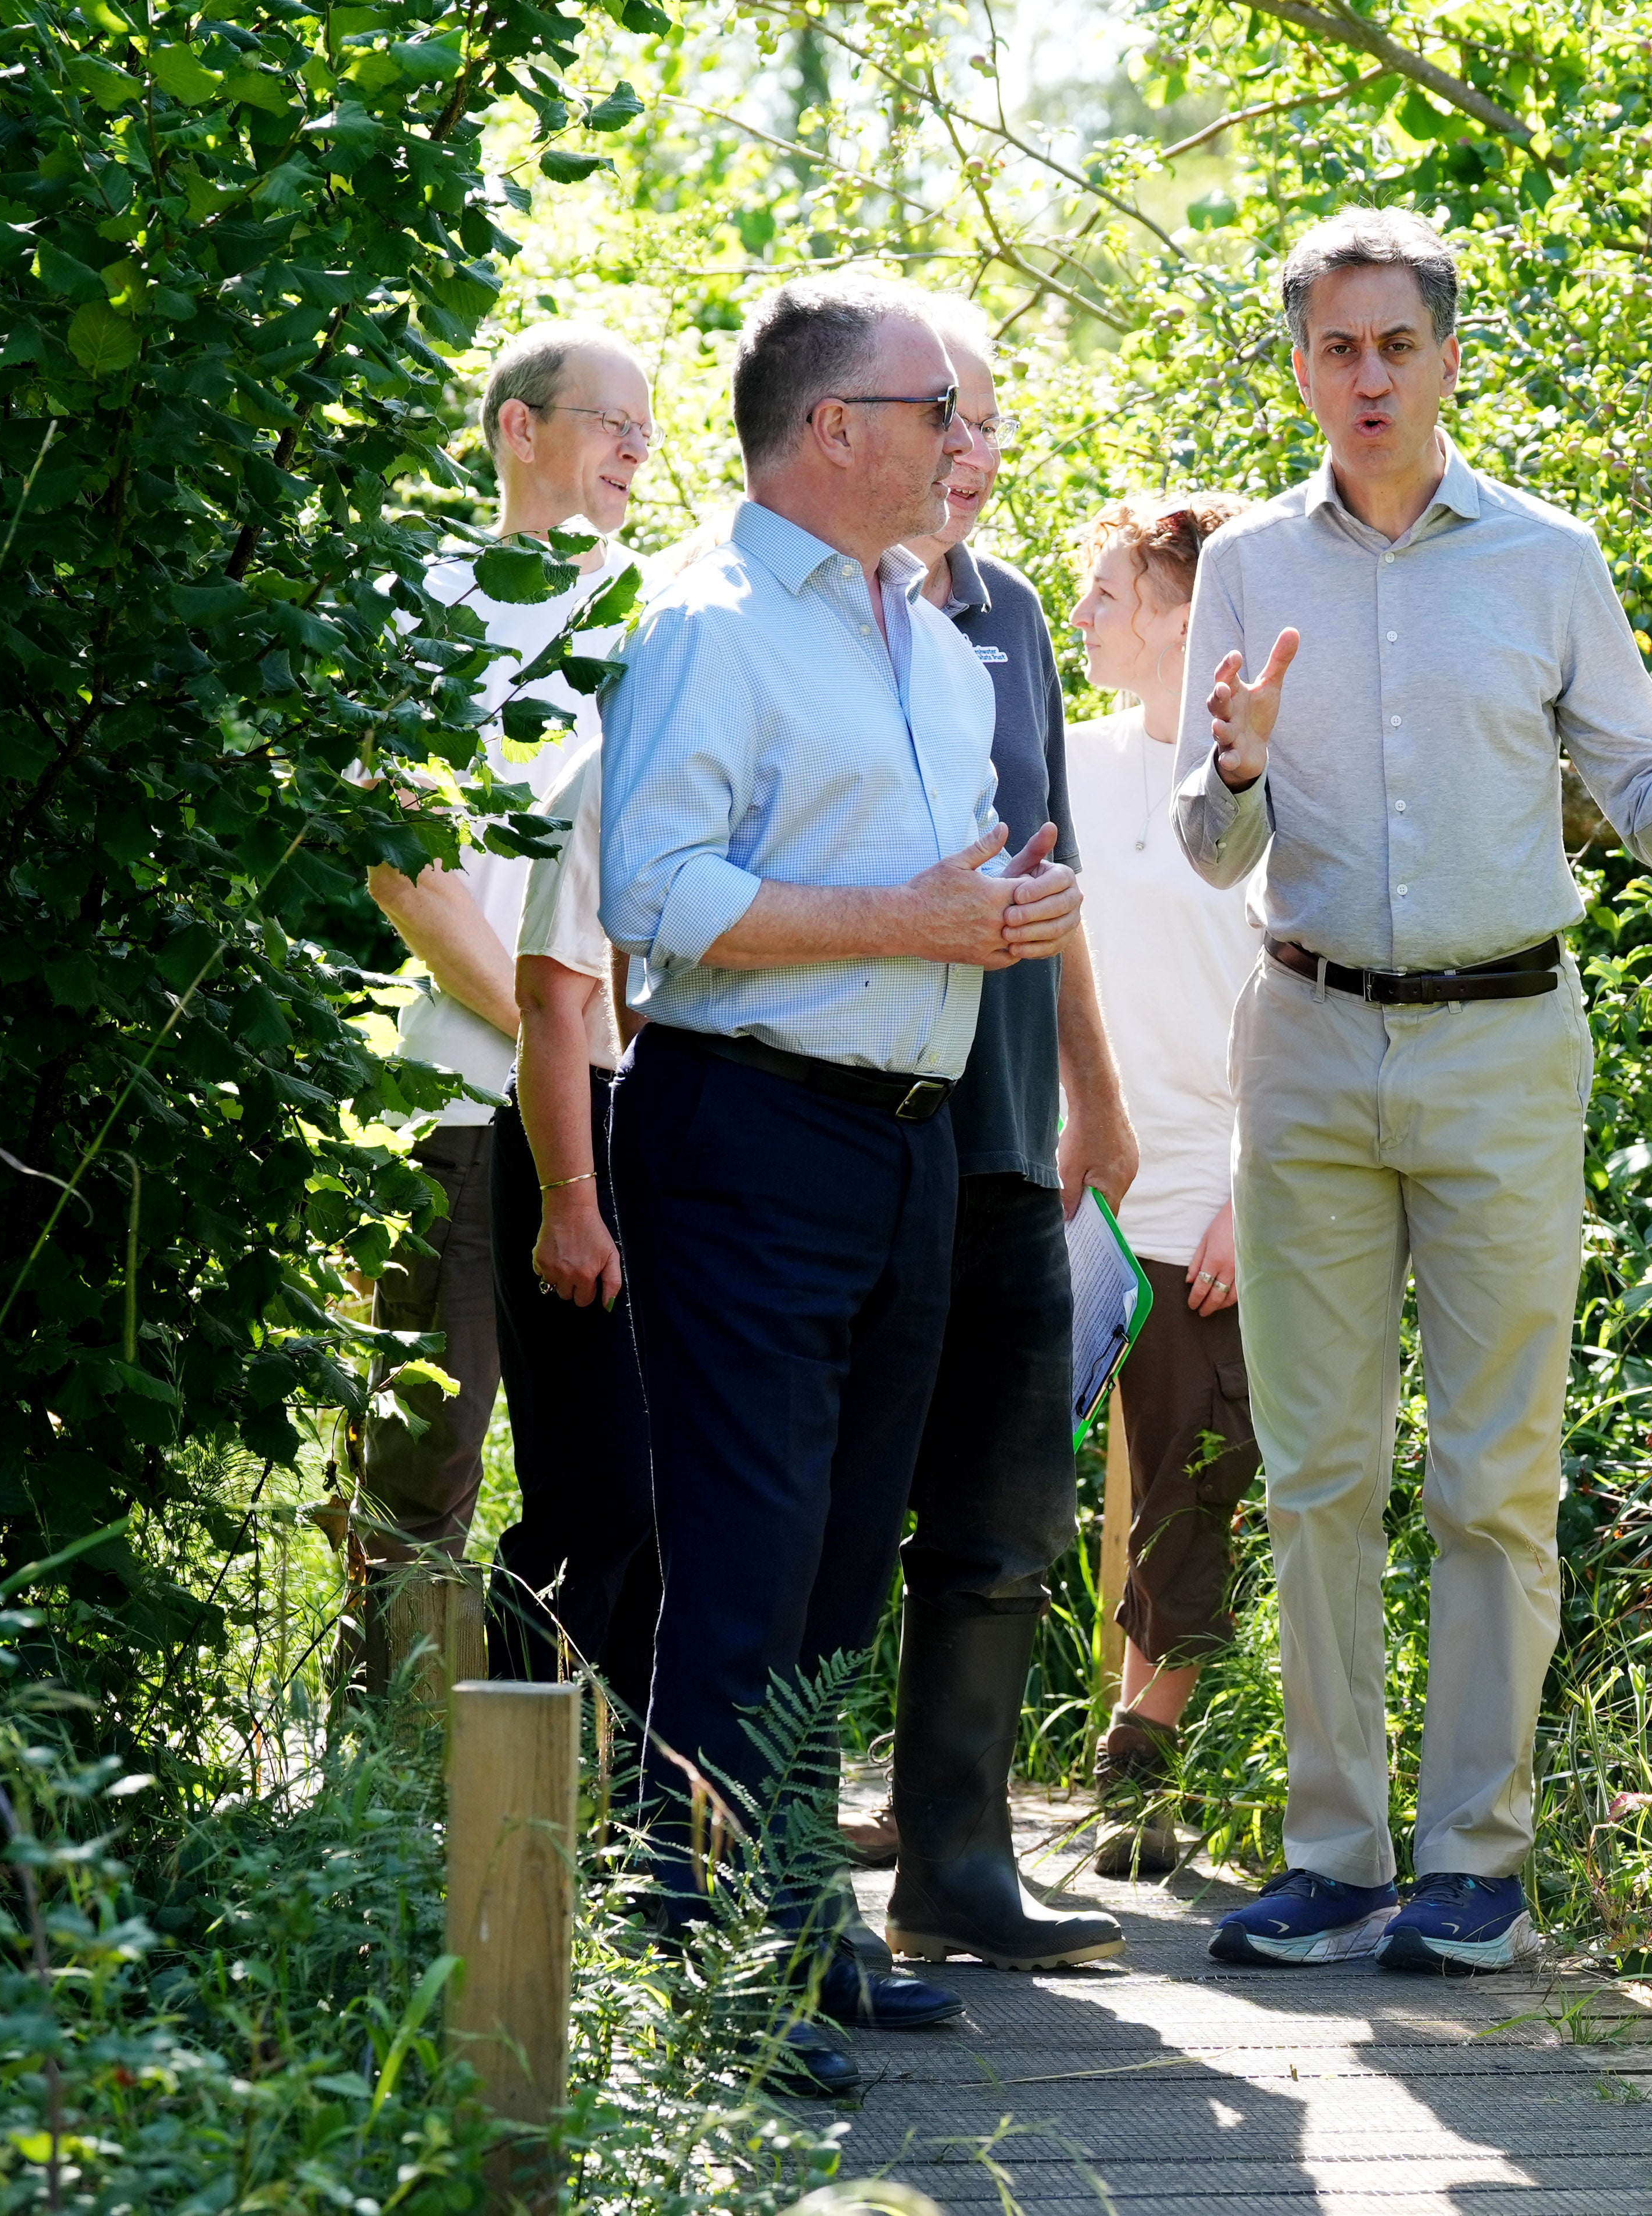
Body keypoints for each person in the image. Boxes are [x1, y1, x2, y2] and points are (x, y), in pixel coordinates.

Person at [1174, 209, 1652, 1974]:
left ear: (1446, 359)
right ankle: (1338, 1852)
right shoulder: (1243, 570)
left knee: (1494, 1471)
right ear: (1299, 365)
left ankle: (1474, 1864)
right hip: (1304, 1036)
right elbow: (1208, 851)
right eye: (1332, 348)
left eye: (1394, 346)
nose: (1365, 377)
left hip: (1507, 1045)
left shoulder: (1545, 559)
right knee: (1315, 1468)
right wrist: (1234, 771)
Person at [596, 274, 1081, 2093]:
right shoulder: (708, 623)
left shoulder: (939, 645)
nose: (966, 442)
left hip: (909, 1148)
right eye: (936, 409)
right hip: (744, 1131)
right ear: (832, 430)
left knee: (837, 1571)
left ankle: (794, 1924)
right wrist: (913, 921)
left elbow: (945, 892)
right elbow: (655, 894)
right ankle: (706, 1974)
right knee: (742, 1564)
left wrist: (1004, 919)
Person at [861, 300, 1138, 1971]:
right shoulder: (801, 606)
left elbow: (1054, 876)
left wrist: (1093, 1087)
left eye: (990, 425)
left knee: (1007, 1502)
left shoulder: (1015, 611)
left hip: (1006, 1137)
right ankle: (720, 1868)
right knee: (821, 1511)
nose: (976, 453)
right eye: (947, 419)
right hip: (846, 1127)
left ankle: (958, 1861)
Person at [352, 322, 649, 1648]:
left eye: (649, 427)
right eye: (609, 420)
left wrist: (598, 1061)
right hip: (474, 1102)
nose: (637, 449)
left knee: (608, 1479)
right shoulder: (423, 602)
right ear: (519, 429)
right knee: (429, 1460)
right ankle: (387, 1781)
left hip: (632, 1116)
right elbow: (408, 872)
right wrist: (548, 1032)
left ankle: (569, 1782)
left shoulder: (668, 611)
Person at [1058, 491, 1259, 1881]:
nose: (1080, 617)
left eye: (1109, 595)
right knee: (995, 1477)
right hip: (1065, 1185)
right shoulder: (1062, 764)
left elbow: (1302, 998)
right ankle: (945, 1792)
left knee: (1195, 1477)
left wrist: (1259, 1191)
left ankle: (1140, 1759)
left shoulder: (1263, 786)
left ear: (1186, 616)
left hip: (1209, 1191)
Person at [483, 718, 655, 1695]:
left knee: (676, 1505)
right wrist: (571, 1204)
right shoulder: (604, 774)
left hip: (689, 1133)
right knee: (600, 1492)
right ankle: (511, 1796)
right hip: (578, 1132)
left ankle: (645, 1814)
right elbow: (548, 1004)